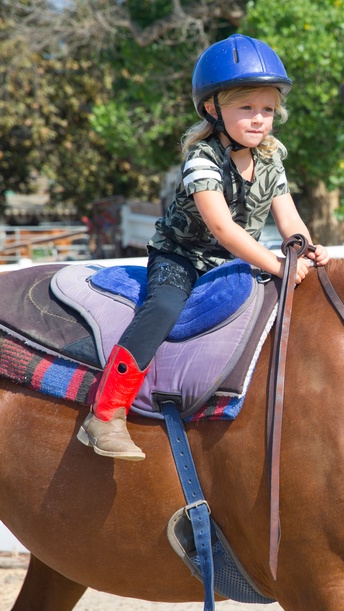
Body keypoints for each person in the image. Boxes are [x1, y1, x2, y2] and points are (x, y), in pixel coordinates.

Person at [77, 34, 329, 462]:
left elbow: (289, 220)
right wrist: (274, 263)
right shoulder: (202, 160)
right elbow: (222, 226)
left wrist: (303, 249)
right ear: (213, 109)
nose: (259, 119)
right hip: (182, 258)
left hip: (233, 261)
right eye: (245, 108)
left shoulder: (271, 160)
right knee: (163, 308)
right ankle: (106, 412)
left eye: (267, 109)